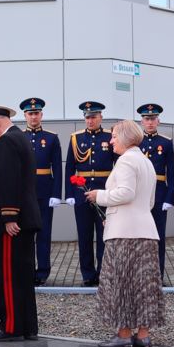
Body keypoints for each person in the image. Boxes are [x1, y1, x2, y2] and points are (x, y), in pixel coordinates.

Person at [85, 120, 163, 347]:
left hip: (125, 234)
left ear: (126, 137)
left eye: (114, 136)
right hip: (146, 230)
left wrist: (100, 195)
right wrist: (116, 213)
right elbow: (149, 202)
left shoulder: (126, 160)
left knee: (120, 283)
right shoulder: (146, 162)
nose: (111, 141)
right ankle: (143, 336)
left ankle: (124, 334)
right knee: (144, 285)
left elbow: (126, 193)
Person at [0, 105, 41, 341]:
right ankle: (27, 327)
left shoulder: (7, 142)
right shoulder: (21, 138)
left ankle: (11, 326)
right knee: (23, 275)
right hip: (26, 219)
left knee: (7, 274)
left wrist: (9, 216)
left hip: (14, 222)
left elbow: (9, 181)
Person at [64, 101, 117, 286]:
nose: (90, 120)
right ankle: (88, 274)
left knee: (104, 234)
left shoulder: (110, 137)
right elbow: (70, 166)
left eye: (94, 117)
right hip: (81, 192)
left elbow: (117, 166)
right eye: (87, 117)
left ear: (101, 117)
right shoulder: (75, 138)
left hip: (104, 191)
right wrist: (69, 193)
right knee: (84, 235)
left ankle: (103, 273)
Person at [19, 98, 62, 286]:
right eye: (30, 113)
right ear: (25, 116)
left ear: (41, 115)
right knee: (26, 234)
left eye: (36, 113)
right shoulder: (18, 136)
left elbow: (57, 169)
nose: (33, 116)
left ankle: (43, 272)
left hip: (45, 192)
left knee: (44, 234)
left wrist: (56, 194)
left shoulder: (52, 138)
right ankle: (26, 270)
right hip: (24, 193)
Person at [137, 104, 174, 283]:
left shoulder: (166, 142)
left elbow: (171, 174)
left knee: (158, 236)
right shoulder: (136, 141)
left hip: (159, 194)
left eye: (153, 119)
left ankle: (157, 274)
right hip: (139, 195)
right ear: (141, 121)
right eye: (147, 119)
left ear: (158, 121)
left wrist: (170, 198)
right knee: (139, 235)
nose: (150, 122)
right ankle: (141, 274)